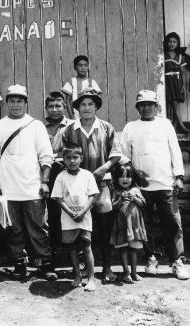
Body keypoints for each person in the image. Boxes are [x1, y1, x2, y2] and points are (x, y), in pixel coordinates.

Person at [0, 84, 56, 280]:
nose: (15, 105)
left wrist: (44, 181)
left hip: (32, 187)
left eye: (19, 101)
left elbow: (46, 156)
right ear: (7, 102)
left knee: (38, 227)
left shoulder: (35, 125)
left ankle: (44, 264)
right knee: (13, 229)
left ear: (25, 103)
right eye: (12, 100)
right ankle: (19, 265)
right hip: (8, 189)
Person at [56, 88, 125, 283]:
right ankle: (83, 269)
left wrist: (104, 168)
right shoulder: (69, 129)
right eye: (83, 105)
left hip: (102, 185)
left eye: (90, 104)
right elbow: (64, 156)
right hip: (77, 188)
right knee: (81, 228)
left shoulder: (106, 127)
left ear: (96, 107)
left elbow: (115, 155)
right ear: (77, 108)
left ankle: (107, 268)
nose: (86, 108)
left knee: (104, 227)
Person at [120, 90, 189, 280]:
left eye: (150, 104)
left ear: (157, 106)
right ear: (138, 107)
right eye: (142, 104)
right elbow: (124, 156)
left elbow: (175, 150)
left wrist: (179, 176)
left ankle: (177, 261)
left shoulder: (165, 124)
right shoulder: (130, 127)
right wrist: (133, 174)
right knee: (145, 224)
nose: (146, 107)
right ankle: (151, 258)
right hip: (142, 188)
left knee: (173, 223)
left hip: (166, 183)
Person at [51, 144, 99, 292]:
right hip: (68, 217)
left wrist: (83, 211)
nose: (72, 161)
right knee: (71, 247)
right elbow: (58, 198)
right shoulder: (61, 177)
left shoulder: (87, 175)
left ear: (81, 158)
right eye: (68, 158)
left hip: (84, 216)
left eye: (75, 157)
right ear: (63, 160)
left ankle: (91, 278)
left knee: (86, 246)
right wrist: (71, 213)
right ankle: (77, 276)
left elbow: (93, 195)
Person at [43, 91, 72, 253]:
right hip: (49, 174)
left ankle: (74, 249)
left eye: (58, 106)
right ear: (46, 108)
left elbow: (74, 149)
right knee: (52, 212)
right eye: (51, 106)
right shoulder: (40, 127)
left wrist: (58, 155)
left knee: (69, 208)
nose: (55, 109)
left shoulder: (72, 125)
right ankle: (54, 248)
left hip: (67, 172)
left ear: (64, 106)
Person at [110, 163, 149, 284]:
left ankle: (134, 272)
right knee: (123, 249)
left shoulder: (135, 190)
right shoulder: (116, 191)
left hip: (134, 224)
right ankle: (126, 272)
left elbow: (143, 204)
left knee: (133, 249)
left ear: (133, 178)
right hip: (122, 225)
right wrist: (120, 199)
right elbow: (113, 206)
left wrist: (134, 198)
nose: (125, 179)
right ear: (117, 178)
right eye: (122, 176)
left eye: (128, 176)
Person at [164, 32, 190, 134]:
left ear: (178, 43)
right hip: (167, 81)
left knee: (175, 103)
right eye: (170, 41)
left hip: (177, 81)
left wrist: (183, 86)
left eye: (174, 42)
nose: (172, 44)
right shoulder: (163, 54)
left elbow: (183, 72)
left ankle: (174, 128)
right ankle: (181, 127)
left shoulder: (180, 56)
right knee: (171, 105)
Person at [62, 55, 102, 119]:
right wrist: (71, 117)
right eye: (80, 65)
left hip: (89, 116)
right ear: (75, 67)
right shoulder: (71, 82)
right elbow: (67, 101)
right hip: (75, 116)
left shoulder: (91, 82)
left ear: (88, 67)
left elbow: (97, 100)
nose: (83, 68)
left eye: (85, 65)